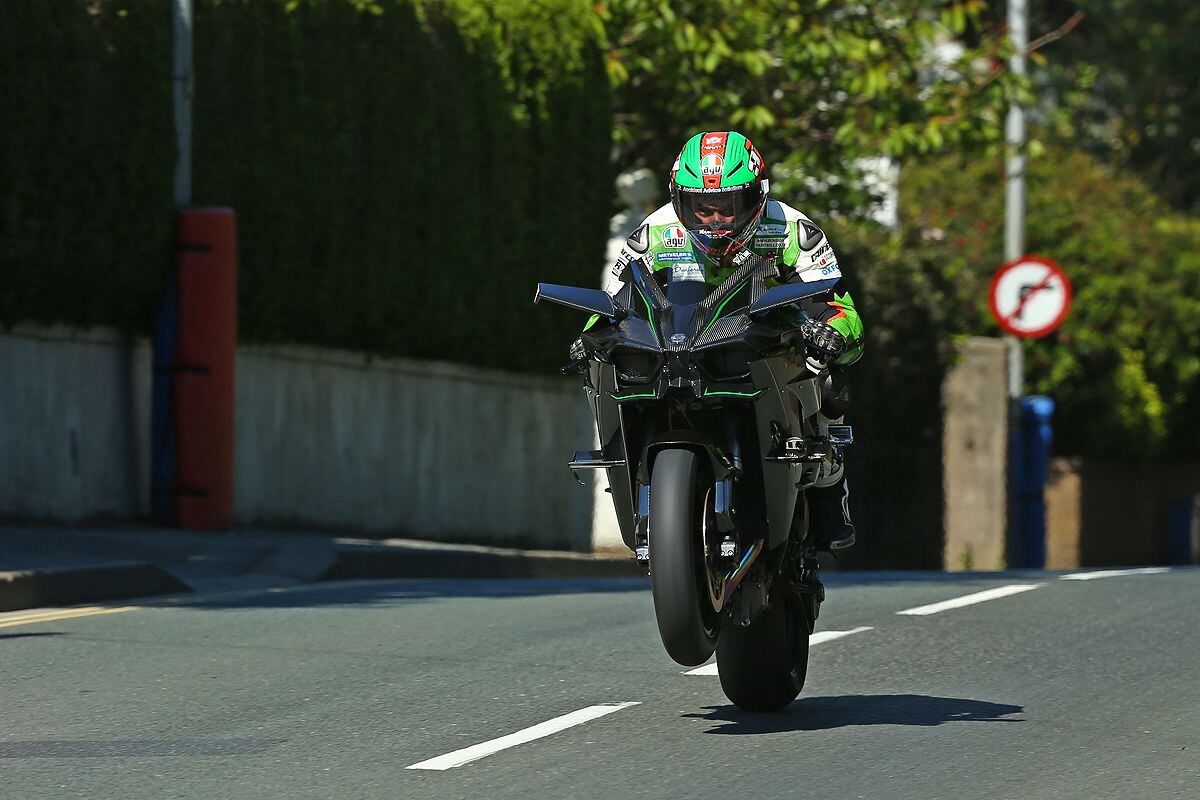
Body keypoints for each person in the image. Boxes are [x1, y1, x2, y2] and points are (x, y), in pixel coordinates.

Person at [602, 130, 864, 551]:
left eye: (728, 207)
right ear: (679, 200)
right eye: (702, 207)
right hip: (683, 344)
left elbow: (839, 306)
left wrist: (833, 332)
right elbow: (613, 303)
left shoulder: (792, 230)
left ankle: (830, 484)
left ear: (756, 197)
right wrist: (592, 337)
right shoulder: (655, 231)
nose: (715, 220)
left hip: (766, 341)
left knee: (830, 379)